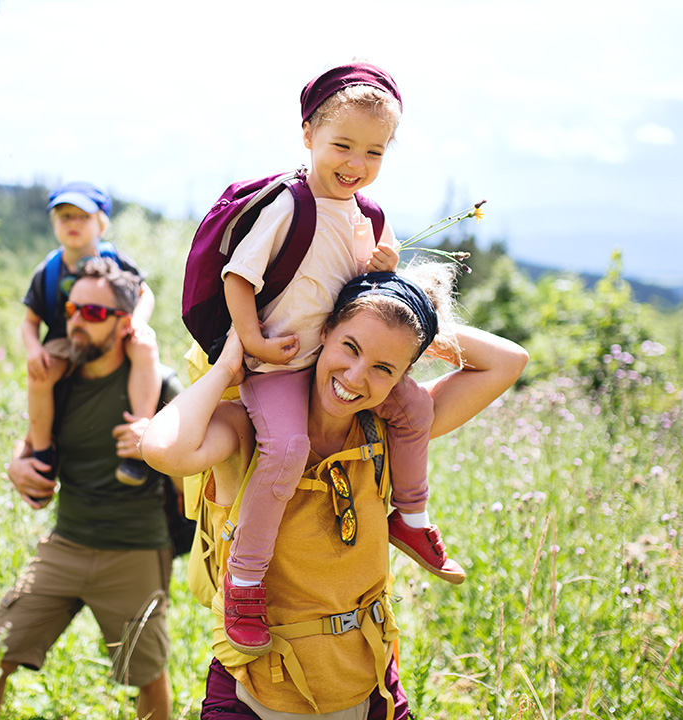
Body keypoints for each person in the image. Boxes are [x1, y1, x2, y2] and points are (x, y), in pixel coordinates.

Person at [142, 263, 529, 719]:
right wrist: (228, 365)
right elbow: (163, 448)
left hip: (370, 689)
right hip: (254, 692)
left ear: (402, 376)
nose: (356, 376)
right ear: (322, 331)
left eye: (384, 367)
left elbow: (509, 361)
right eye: (350, 346)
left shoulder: (390, 431)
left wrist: (410, 315)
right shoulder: (249, 430)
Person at [214, 62, 461, 655]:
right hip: (280, 363)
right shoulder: (288, 205)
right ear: (308, 136)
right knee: (287, 448)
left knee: (413, 410)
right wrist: (252, 343)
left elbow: (374, 279)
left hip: (334, 359)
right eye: (342, 145)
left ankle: (412, 515)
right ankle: (244, 580)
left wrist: (383, 264)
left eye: (373, 152)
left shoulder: (366, 214)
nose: (356, 163)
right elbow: (238, 277)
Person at [0, 258, 183, 720]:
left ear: (125, 324)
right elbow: (30, 448)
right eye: (72, 309)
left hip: (136, 550)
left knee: (146, 675)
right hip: (65, 544)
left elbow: (195, 474)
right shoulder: (59, 380)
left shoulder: (160, 385)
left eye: (94, 313)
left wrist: (158, 449)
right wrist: (15, 468)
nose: (77, 321)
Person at [22, 181, 160, 490]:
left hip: (112, 331)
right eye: (64, 216)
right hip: (64, 338)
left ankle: (137, 439)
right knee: (40, 376)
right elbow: (29, 321)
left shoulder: (116, 260)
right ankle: (43, 453)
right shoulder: (48, 270)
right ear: (53, 223)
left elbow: (144, 293)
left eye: (82, 216)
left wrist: (137, 322)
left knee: (145, 347)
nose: (73, 223)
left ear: (101, 223)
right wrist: (33, 349)